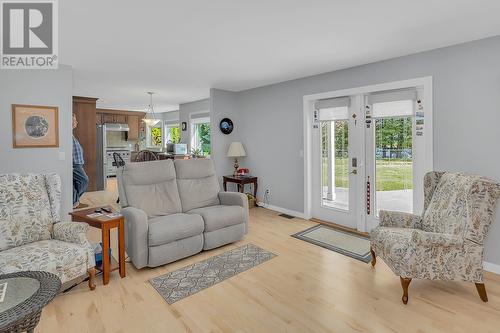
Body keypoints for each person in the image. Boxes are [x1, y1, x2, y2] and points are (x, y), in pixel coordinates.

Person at [73, 113, 89, 208]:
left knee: (75, 184)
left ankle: (75, 201)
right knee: (84, 180)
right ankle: (74, 201)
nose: (76, 122)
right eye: (74, 120)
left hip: (77, 163)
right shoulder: (67, 134)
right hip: (74, 164)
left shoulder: (70, 133)